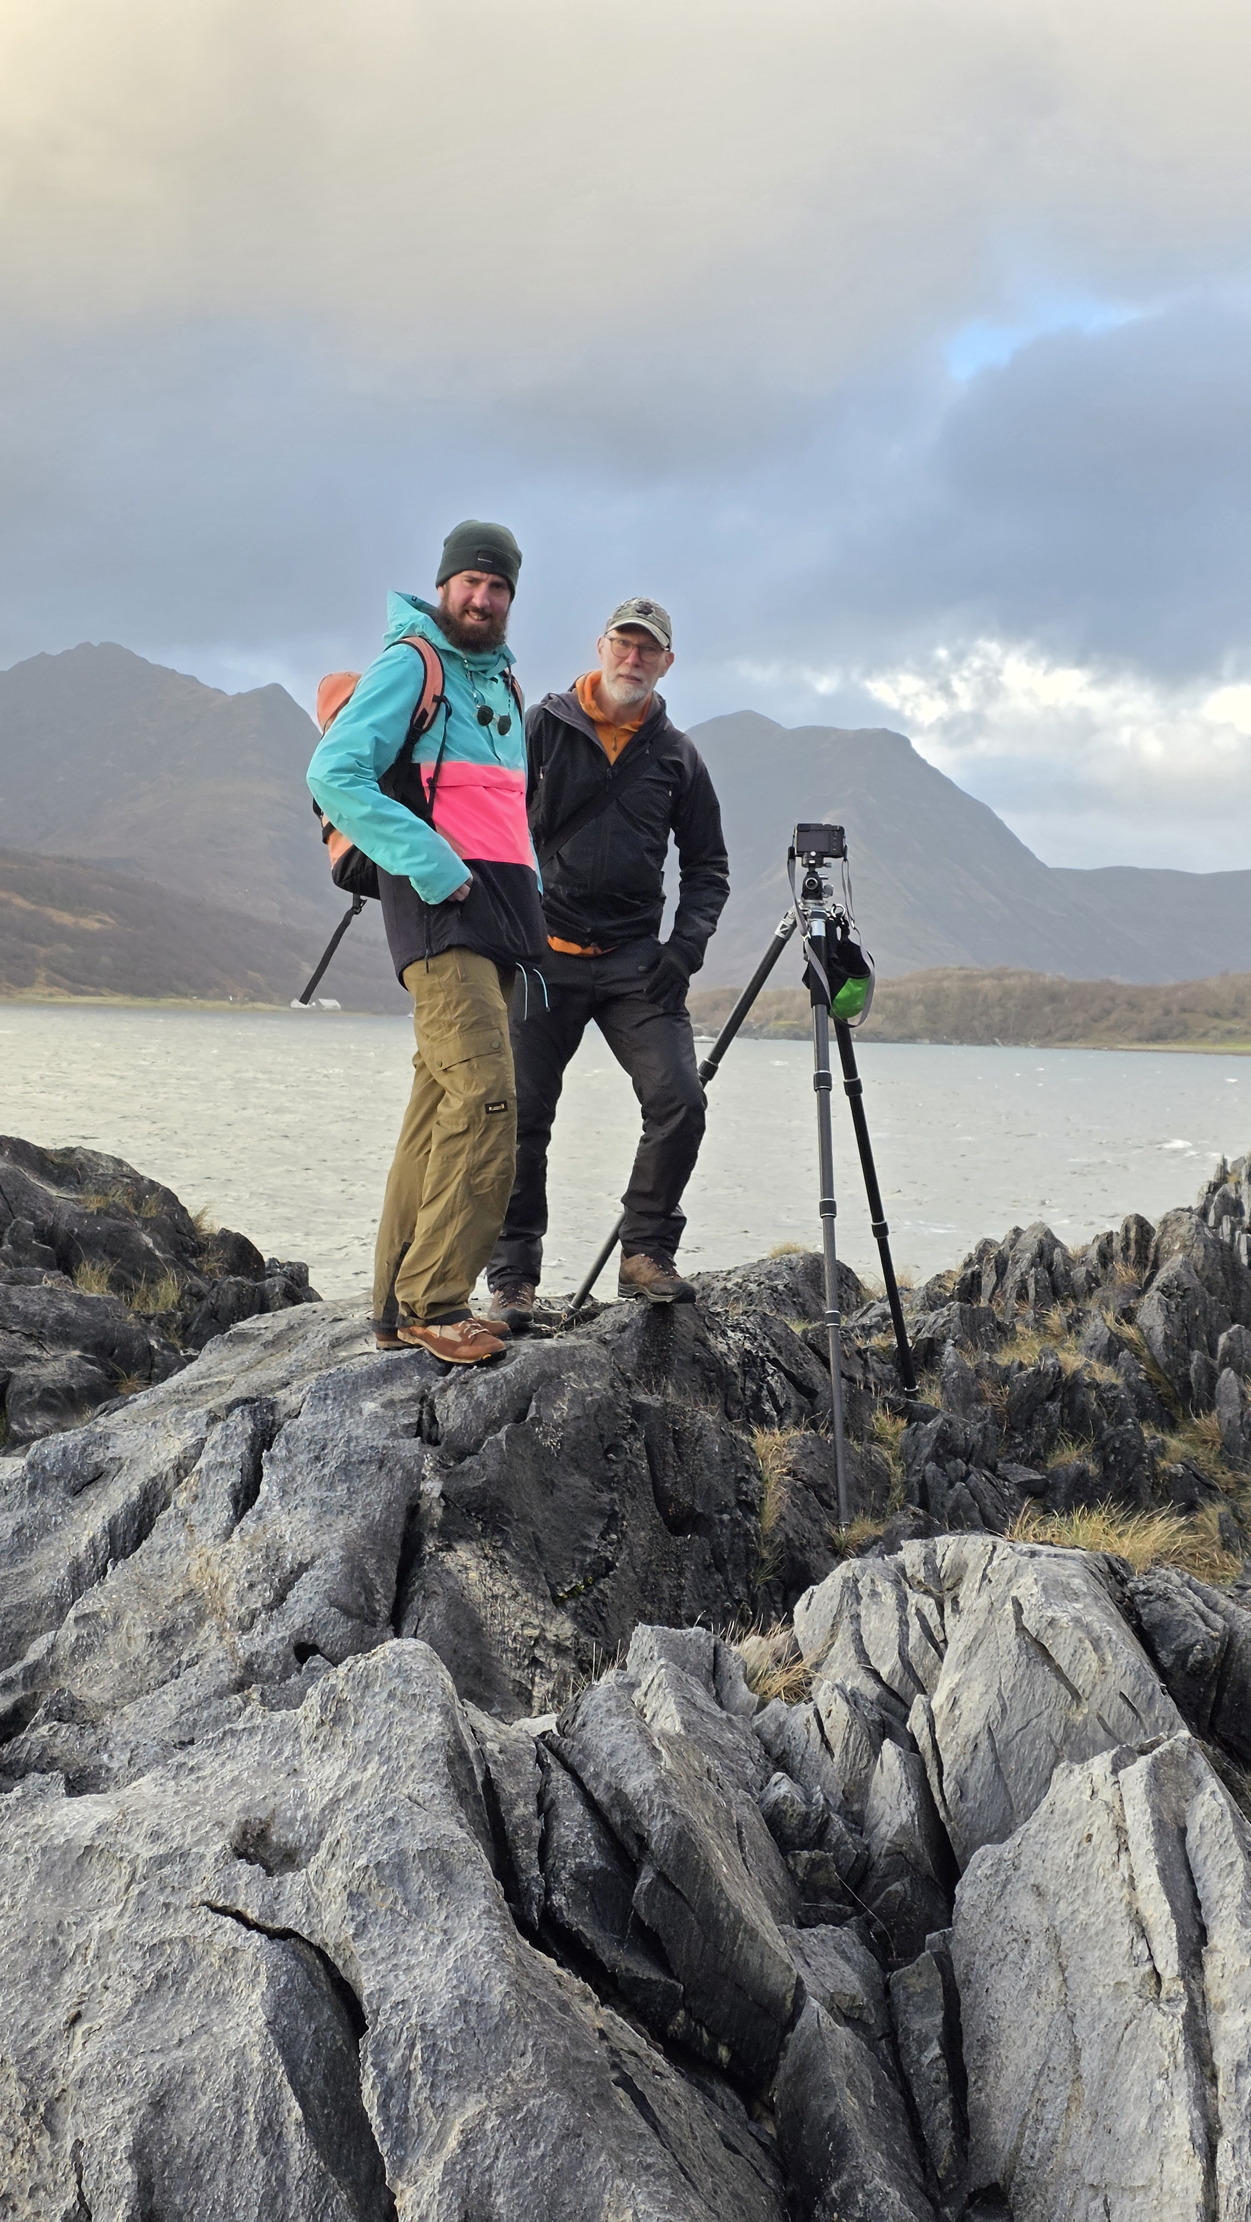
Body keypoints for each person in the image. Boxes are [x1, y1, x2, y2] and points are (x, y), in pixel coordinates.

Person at [307, 520, 547, 1366]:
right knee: (488, 1102)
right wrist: (435, 868)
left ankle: (390, 1309)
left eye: (497, 586)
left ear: (511, 596)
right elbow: (334, 773)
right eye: (469, 583)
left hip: (500, 921)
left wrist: (531, 904)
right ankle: (437, 1303)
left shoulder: (504, 684)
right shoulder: (413, 662)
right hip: (443, 914)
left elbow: (504, 815)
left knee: (440, 1111)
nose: (480, 598)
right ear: (444, 585)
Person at [487, 597, 729, 1327]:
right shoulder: (542, 727)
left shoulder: (678, 757)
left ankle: (645, 1252)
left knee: (679, 1101)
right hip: (540, 957)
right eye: (624, 643)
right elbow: (495, 823)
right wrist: (504, 926)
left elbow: (708, 866)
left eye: (648, 649)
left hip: (635, 964)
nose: (633, 657)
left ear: (666, 663)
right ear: (601, 647)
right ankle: (512, 1282)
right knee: (521, 1118)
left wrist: (681, 950)